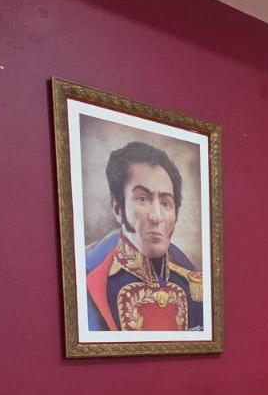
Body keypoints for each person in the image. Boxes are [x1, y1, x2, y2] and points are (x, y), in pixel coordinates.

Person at [85, 140, 203, 331]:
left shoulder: (191, 283)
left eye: (165, 203)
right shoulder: (90, 281)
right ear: (118, 208)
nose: (156, 216)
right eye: (143, 199)